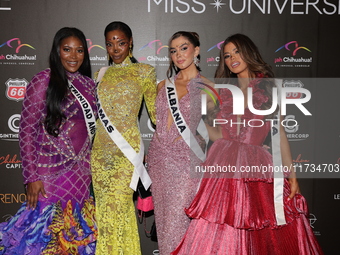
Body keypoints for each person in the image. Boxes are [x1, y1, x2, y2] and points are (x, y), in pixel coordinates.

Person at [172, 34, 323, 255]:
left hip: (256, 162)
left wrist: (291, 173)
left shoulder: (269, 86)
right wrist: (195, 127)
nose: (232, 58)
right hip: (223, 160)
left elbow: (279, 131)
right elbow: (219, 132)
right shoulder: (222, 89)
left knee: (263, 224)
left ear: (248, 53)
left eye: (237, 52)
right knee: (221, 220)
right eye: (227, 55)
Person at [0, 27, 97, 254]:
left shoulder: (90, 86)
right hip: (49, 174)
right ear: (57, 51)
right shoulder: (43, 80)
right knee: (45, 236)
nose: (73, 56)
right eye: (67, 49)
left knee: (75, 235)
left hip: (82, 175)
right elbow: (25, 130)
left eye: (79, 50)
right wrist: (31, 176)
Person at [91, 21, 157, 255]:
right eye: (110, 44)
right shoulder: (99, 75)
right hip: (99, 156)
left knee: (120, 209)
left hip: (125, 156)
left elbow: (156, 115)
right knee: (105, 215)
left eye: (120, 43)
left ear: (130, 43)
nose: (115, 48)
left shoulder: (145, 71)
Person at [147, 31, 213, 255]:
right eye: (173, 50)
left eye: (184, 48)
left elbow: (218, 128)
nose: (178, 54)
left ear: (196, 50)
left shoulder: (207, 87)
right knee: (165, 225)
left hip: (186, 162)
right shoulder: (162, 86)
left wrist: (200, 141)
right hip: (158, 161)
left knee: (179, 224)